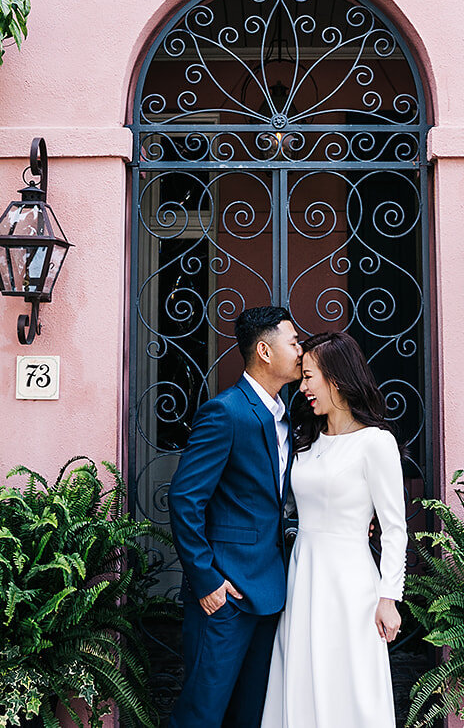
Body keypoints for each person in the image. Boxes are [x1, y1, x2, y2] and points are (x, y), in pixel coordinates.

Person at [261, 331, 407, 728]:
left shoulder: (375, 443)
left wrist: (389, 597)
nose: (303, 386)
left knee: (350, 682)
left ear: (338, 378)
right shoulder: (305, 441)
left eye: (310, 377)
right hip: (303, 574)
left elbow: (394, 528)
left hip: (351, 583)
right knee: (302, 673)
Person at [168, 306, 304, 728]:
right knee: (201, 713)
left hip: (271, 592)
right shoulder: (225, 412)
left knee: (251, 714)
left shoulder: (289, 415)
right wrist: (206, 579)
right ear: (264, 351)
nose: (302, 350)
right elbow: (184, 498)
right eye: (294, 342)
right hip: (225, 594)